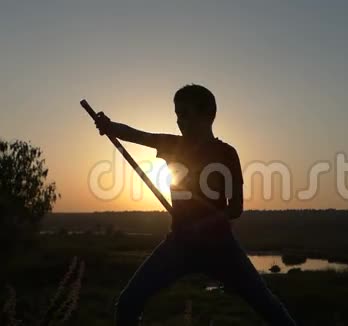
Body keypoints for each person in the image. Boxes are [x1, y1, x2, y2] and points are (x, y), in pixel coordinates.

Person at [94, 84, 297, 326]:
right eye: (178, 115)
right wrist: (109, 127)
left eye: (186, 114)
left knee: (268, 306)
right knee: (128, 302)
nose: (180, 121)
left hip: (221, 248)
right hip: (179, 245)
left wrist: (202, 226)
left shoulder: (226, 153)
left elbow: (236, 208)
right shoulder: (173, 145)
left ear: (208, 115)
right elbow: (136, 135)